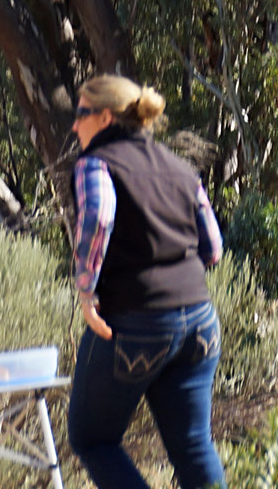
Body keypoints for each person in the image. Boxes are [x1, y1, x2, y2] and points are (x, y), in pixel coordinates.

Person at [67, 74, 226, 489]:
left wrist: (86, 291)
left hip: (134, 324)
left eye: (79, 114)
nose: (73, 125)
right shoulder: (181, 168)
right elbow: (213, 248)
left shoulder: (95, 164)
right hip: (201, 323)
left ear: (104, 118)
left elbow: (99, 217)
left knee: (93, 440)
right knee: (193, 445)